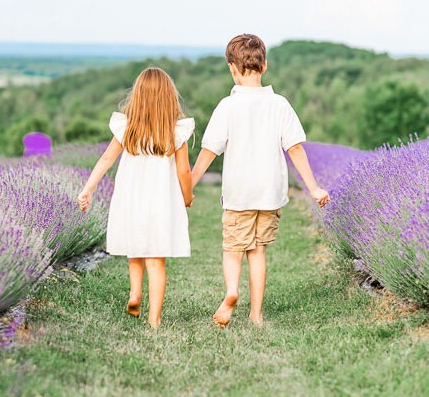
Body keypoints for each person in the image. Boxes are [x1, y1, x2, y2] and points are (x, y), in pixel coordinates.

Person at [191, 34, 330, 328]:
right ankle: (256, 315)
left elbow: (209, 151)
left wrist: (188, 185)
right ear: (264, 65)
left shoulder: (227, 106)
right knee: (258, 251)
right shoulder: (279, 104)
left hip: (239, 194)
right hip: (269, 193)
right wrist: (314, 187)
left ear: (232, 68)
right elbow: (295, 148)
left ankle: (231, 292)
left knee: (233, 249)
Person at [77, 67, 195, 328]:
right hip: (161, 201)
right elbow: (184, 171)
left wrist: (88, 188)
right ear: (169, 97)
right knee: (156, 259)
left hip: (131, 198)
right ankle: (154, 319)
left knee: (135, 250)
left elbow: (107, 159)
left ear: (137, 96)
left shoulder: (127, 127)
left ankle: (134, 294)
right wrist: (187, 195)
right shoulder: (175, 132)